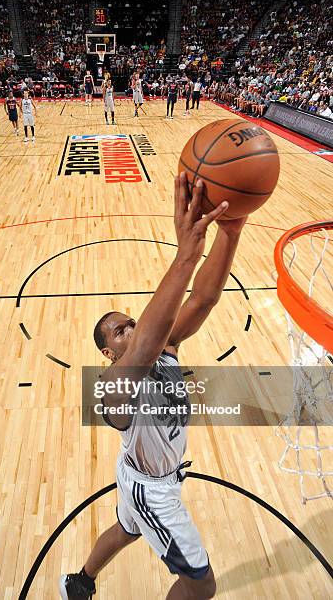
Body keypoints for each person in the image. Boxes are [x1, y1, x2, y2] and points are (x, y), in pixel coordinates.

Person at [59, 173, 246, 600]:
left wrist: (230, 231)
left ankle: (80, 581)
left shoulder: (166, 347)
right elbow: (141, 351)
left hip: (139, 475)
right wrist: (184, 258)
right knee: (202, 586)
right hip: (152, 488)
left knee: (126, 530)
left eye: (130, 321)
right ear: (108, 354)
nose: (132, 327)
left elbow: (203, 299)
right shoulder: (111, 387)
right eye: (120, 331)